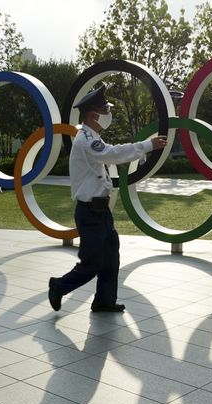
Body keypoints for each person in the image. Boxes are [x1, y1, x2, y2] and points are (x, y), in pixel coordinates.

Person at [47, 84, 166, 313]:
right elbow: (110, 153)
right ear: (93, 115)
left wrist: (135, 156)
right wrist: (147, 145)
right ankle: (58, 286)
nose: (109, 115)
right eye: (106, 111)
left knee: (111, 258)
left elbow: (106, 160)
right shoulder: (86, 139)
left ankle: (104, 300)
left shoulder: (91, 138)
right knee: (92, 263)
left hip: (101, 212)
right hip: (90, 213)